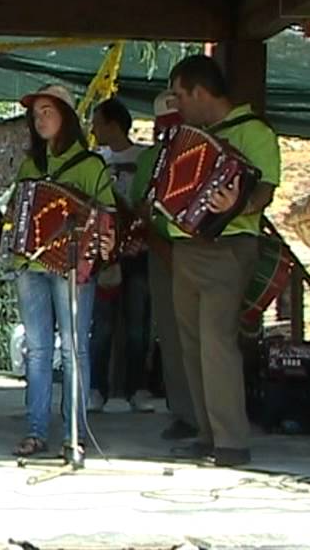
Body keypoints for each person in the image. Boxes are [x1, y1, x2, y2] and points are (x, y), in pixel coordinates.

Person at [167, 55, 281, 467]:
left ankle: (231, 441)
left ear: (200, 91)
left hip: (228, 246)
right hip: (186, 247)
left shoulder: (254, 131)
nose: (177, 104)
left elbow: (265, 190)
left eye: (180, 95)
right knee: (192, 344)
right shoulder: (195, 135)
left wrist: (238, 205)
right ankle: (207, 433)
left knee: (217, 342)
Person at [11, 85, 115, 459]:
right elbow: (18, 213)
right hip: (30, 265)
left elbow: (107, 217)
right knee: (37, 351)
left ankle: (75, 434)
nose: (40, 120)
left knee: (74, 350)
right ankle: (36, 431)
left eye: (47, 112)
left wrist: (101, 240)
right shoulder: (29, 166)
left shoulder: (90, 166)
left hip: (72, 268)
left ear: (67, 117)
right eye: (36, 114)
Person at [128, 90, 198, 440]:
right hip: (163, 250)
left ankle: (213, 417)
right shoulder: (148, 160)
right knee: (171, 336)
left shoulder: (204, 150)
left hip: (202, 249)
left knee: (207, 338)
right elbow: (139, 209)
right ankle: (185, 413)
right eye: (166, 125)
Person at [89, 97, 153, 414]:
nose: (93, 129)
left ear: (113, 124)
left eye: (97, 122)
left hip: (139, 250)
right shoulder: (95, 160)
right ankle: (96, 388)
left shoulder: (145, 157)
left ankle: (137, 388)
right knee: (101, 324)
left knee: (138, 322)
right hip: (105, 253)